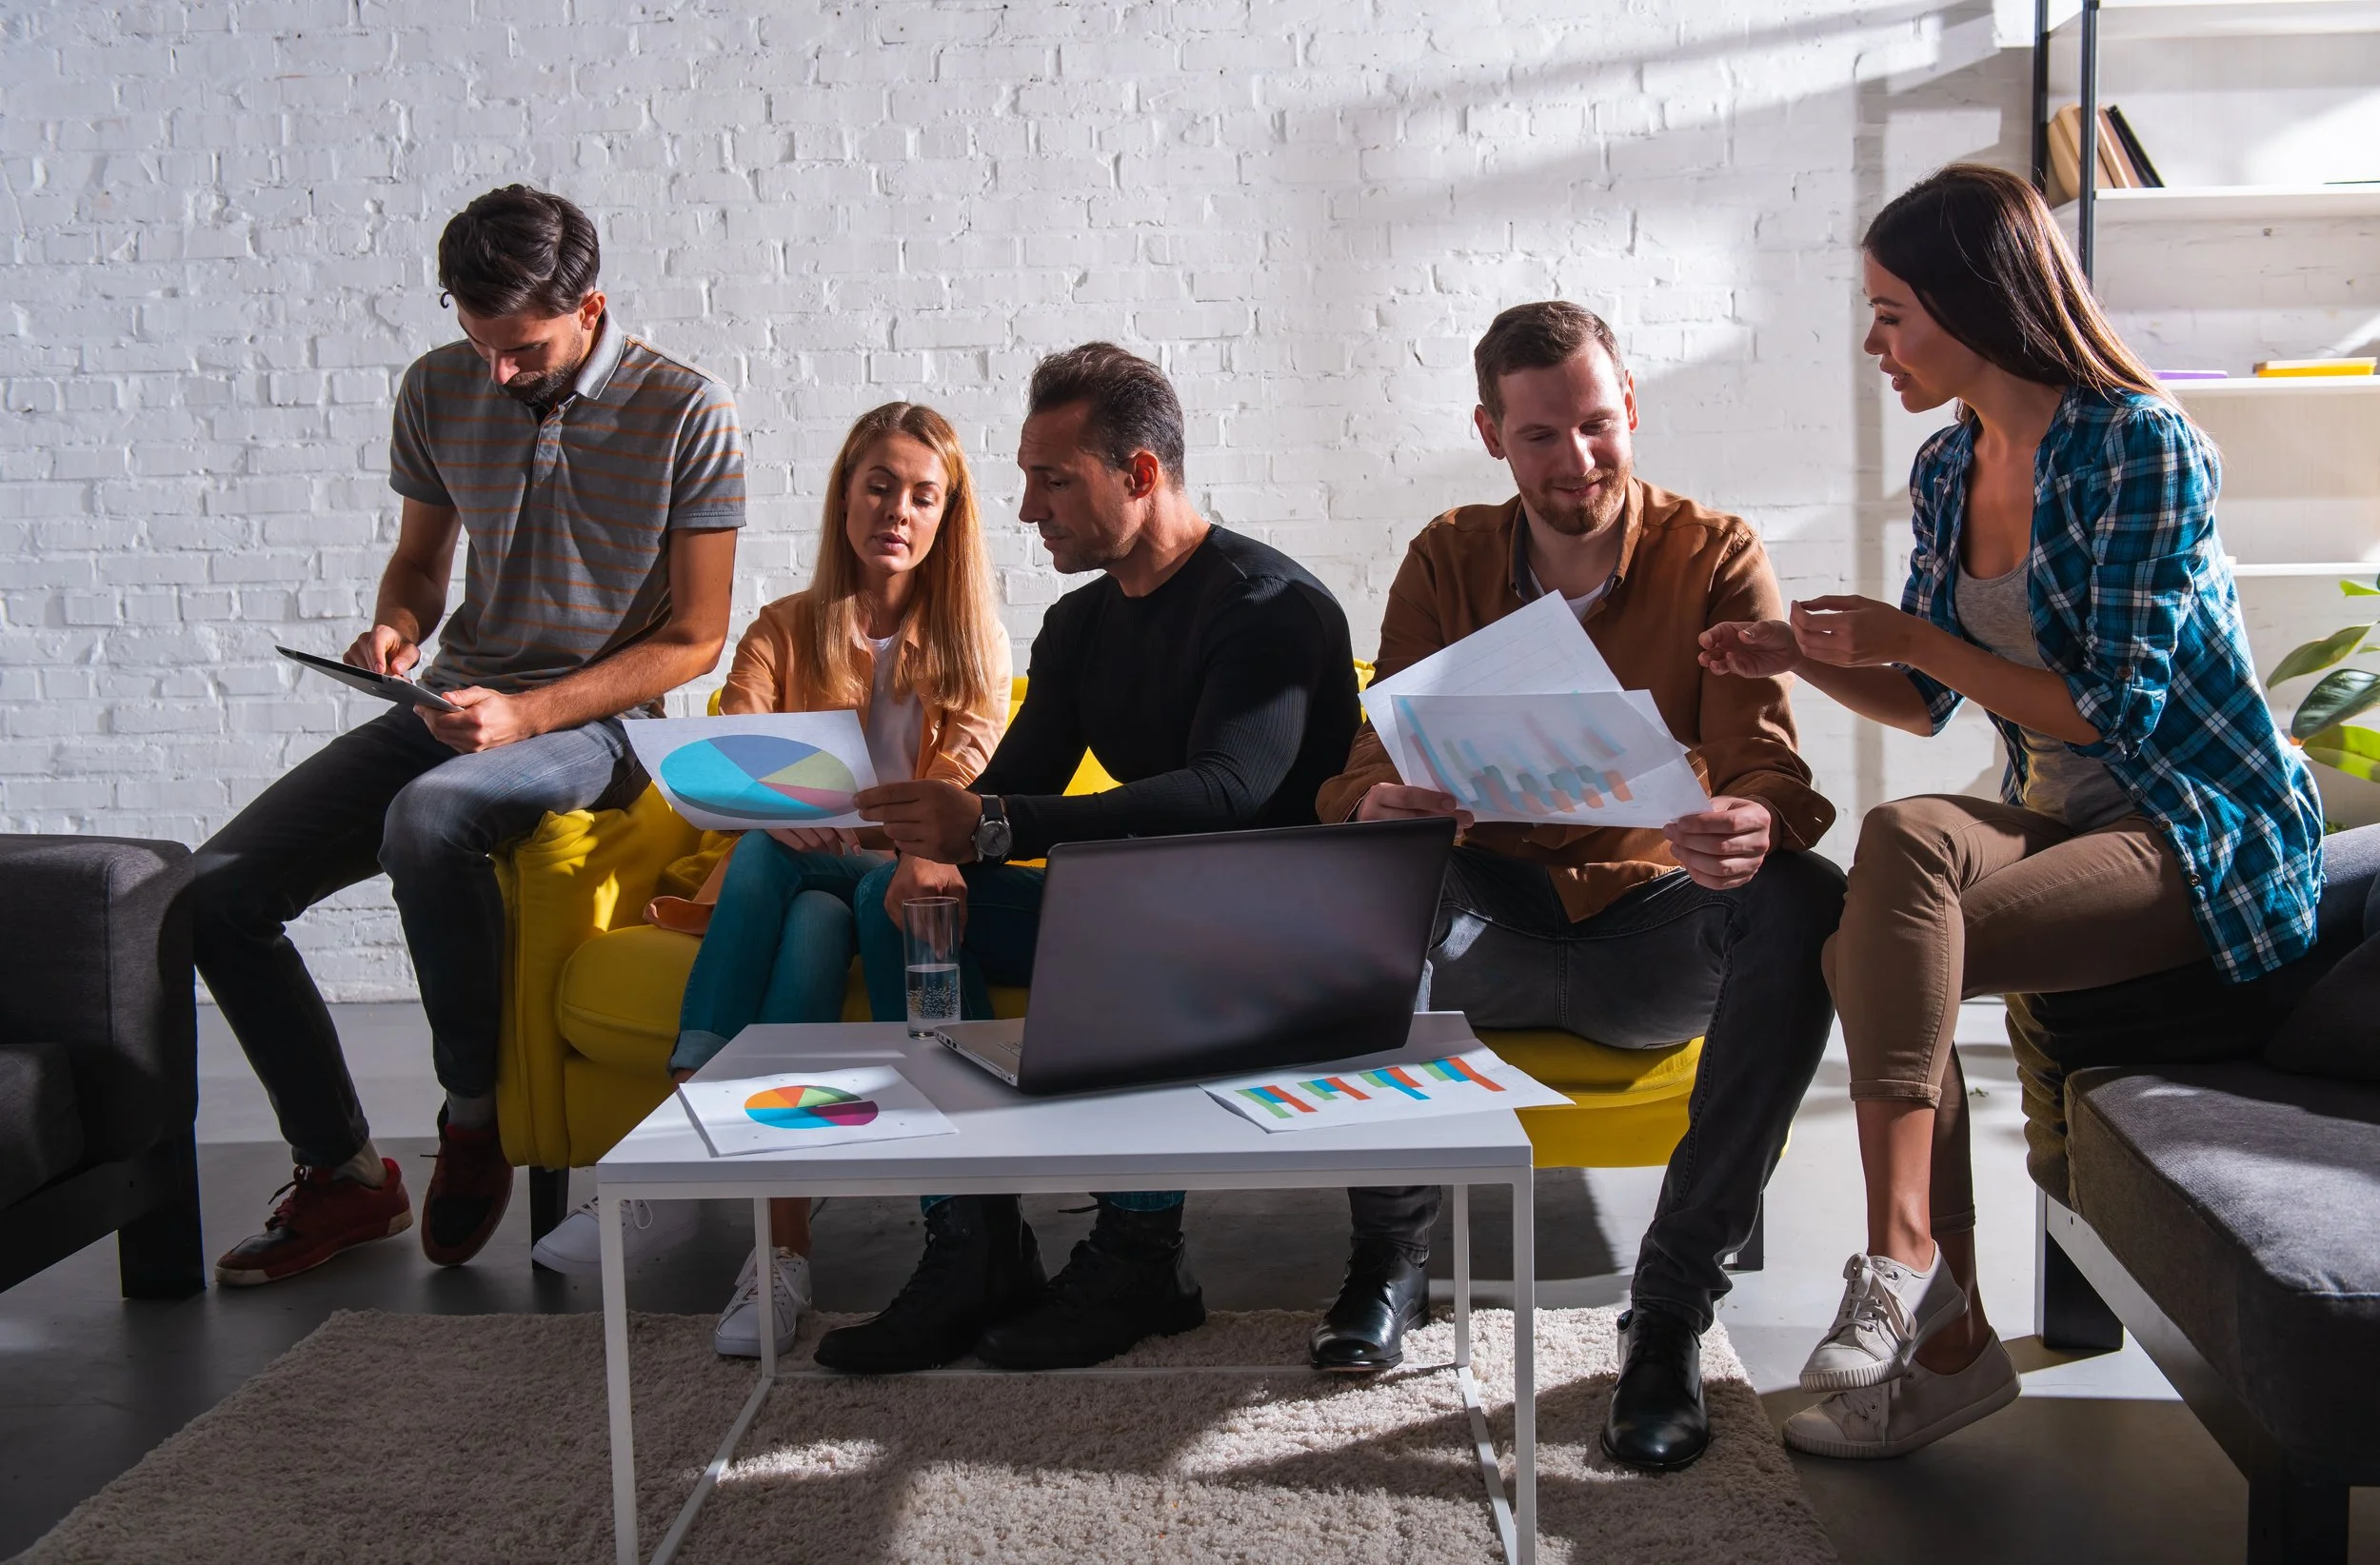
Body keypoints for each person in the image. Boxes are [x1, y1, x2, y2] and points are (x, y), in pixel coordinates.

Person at [1696, 163, 2327, 1459]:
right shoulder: (1949, 468)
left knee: (1868, 953)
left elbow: (2114, 711)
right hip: (2061, 817)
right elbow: (1930, 699)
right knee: (1906, 840)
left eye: (1892, 312)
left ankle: (1930, 1317)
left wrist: (1906, 627)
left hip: (2196, 826)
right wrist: (1798, 656)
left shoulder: (2142, 445)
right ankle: (1920, 1278)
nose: (1877, 343)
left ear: (1978, 302)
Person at [1314, 300, 1845, 1470]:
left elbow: (1774, 770)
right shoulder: (1449, 554)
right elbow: (1368, 754)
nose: (1577, 461)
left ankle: (1666, 1318)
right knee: (1361, 870)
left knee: (1806, 896)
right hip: (1489, 923)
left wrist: (1751, 820)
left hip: (1652, 931)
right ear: (1492, 433)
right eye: (1540, 436)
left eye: (1597, 426)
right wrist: (1374, 801)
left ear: (1632, 411)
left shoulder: (1715, 552)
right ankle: (1387, 1263)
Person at [189, 186, 744, 1285]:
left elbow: (695, 639)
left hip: (600, 726)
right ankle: (345, 1174)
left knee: (432, 815)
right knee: (212, 895)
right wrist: (394, 628)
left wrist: (530, 712)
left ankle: (474, 1113)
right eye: (475, 339)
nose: (496, 371)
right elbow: (418, 571)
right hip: (450, 699)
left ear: (591, 306)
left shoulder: (686, 409)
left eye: (522, 348)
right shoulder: (440, 385)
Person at [806, 342, 1361, 1375]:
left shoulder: (1270, 608)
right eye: (1027, 478)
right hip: (1157, 912)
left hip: (1286, 934)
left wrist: (995, 827)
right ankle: (970, 1237)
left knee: (1128, 892)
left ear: (1139, 474)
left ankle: (1145, 1255)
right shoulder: (1079, 626)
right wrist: (936, 849)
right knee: (907, 900)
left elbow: (1225, 791)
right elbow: (1017, 784)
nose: (1026, 510)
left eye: (1053, 480)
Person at [528, 402, 1010, 1358]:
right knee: (789, 905)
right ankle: (775, 1260)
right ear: (843, 496)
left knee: (823, 895)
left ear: (948, 516)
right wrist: (783, 816)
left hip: (883, 876)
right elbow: (726, 748)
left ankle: (679, 1159)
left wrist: (832, 819)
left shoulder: (972, 644)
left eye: (923, 496)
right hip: (779, 875)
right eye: (878, 487)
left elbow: (955, 789)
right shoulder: (781, 628)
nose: (897, 512)